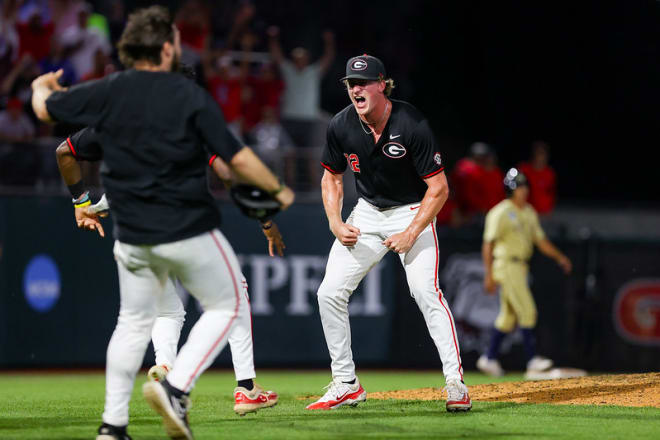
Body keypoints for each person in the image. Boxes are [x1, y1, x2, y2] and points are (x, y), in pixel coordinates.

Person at [31, 6, 294, 440]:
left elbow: (58, 139)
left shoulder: (108, 93)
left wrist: (79, 200)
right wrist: (279, 193)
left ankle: (113, 427)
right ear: (168, 48)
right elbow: (237, 162)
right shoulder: (187, 98)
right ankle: (179, 386)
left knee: (133, 323)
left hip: (130, 237)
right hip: (184, 227)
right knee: (230, 302)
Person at [57, 126, 281, 417]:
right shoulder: (189, 115)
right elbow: (227, 174)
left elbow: (65, 151)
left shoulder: (117, 116)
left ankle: (154, 377)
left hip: (134, 236)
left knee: (153, 316)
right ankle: (245, 387)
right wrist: (265, 220)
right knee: (234, 297)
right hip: (185, 229)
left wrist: (85, 203)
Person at [308, 54, 471, 412]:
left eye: (363, 82)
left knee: (425, 292)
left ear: (383, 84)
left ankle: (455, 383)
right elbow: (331, 177)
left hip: (413, 209)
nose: (356, 89)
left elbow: (439, 188)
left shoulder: (411, 123)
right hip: (367, 211)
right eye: (351, 83)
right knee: (329, 293)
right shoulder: (341, 125)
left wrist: (413, 232)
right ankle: (346, 383)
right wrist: (335, 221)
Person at [477, 168, 571, 377]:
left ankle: (489, 358)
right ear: (510, 189)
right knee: (527, 311)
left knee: (507, 318)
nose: (523, 190)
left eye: (524, 186)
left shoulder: (528, 212)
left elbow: (541, 241)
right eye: (518, 186)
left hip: (521, 266)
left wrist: (559, 257)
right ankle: (532, 362)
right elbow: (488, 244)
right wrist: (488, 274)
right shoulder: (500, 211)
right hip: (507, 264)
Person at [518, 140, 557, 216]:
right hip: (526, 213)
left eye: (543, 153)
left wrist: (549, 208)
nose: (540, 157)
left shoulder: (549, 173)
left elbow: (552, 193)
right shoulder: (523, 169)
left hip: (544, 214)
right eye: (538, 153)